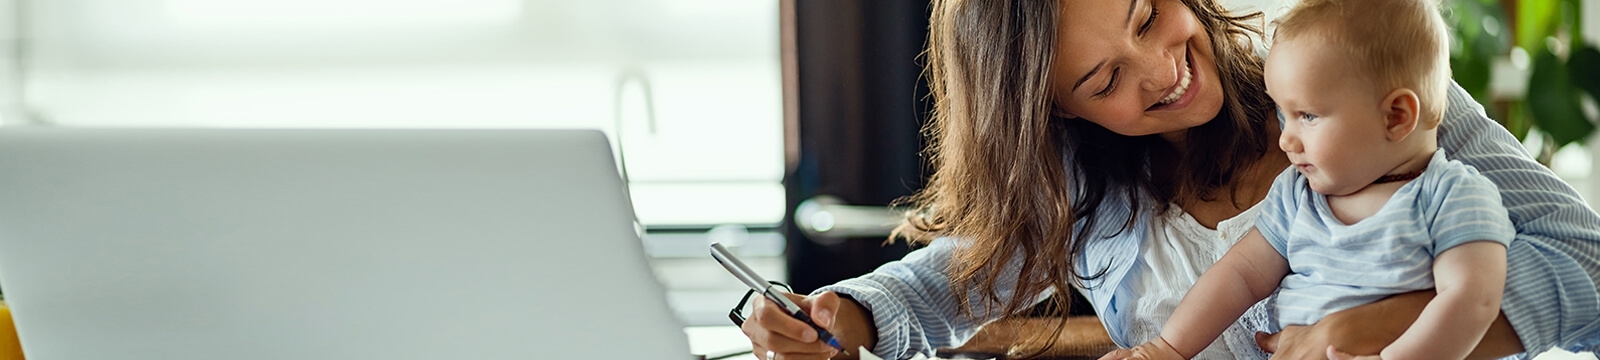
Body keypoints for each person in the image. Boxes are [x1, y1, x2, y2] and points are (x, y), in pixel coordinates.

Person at [738, 0, 1600, 359]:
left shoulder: (1357, 92)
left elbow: (1588, 267)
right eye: (1105, 81)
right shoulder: (1086, 187)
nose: (1162, 72)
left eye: (1149, 16)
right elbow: (945, 281)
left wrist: (1394, 326)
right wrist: (839, 316)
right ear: (1059, 114)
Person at [1106, 0, 1516, 359]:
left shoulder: (1452, 197)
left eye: (1308, 116)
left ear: (1396, 116)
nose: (1286, 138)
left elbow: (1472, 302)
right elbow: (1240, 275)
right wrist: (1168, 348)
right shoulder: (1298, 196)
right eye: (1284, 113)